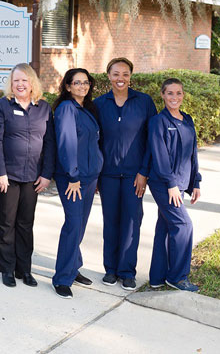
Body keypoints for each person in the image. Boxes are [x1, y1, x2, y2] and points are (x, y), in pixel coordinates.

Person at [0, 63, 55, 288]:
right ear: (11, 83)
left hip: (33, 176)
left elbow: (49, 142)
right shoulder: (2, 107)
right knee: (6, 223)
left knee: (26, 224)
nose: (20, 84)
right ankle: (7, 269)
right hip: (7, 175)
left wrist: (47, 173)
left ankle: (24, 269)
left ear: (32, 83)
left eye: (24, 80)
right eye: (16, 80)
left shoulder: (44, 108)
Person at [94, 57, 157, 291]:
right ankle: (110, 269)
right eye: (116, 74)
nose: (121, 78)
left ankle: (127, 271)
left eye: (125, 74)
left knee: (132, 222)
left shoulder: (144, 102)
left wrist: (144, 172)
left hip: (135, 175)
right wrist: (96, 173)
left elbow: (153, 140)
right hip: (108, 174)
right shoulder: (99, 104)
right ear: (108, 76)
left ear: (131, 76)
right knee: (110, 223)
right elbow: (95, 141)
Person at [51, 68, 103, 299]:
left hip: (90, 177)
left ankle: (73, 267)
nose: (82, 86)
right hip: (73, 179)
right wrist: (72, 176)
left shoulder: (86, 109)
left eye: (85, 82)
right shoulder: (65, 109)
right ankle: (62, 278)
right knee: (73, 224)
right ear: (68, 86)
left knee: (80, 224)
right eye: (77, 82)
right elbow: (66, 143)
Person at [147, 78, 202, 292]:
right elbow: (159, 155)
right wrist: (170, 184)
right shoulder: (158, 121)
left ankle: (157, 277)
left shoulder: (187, 119)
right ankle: (178, 277)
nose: (174, 97)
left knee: (166, 227)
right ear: (162, 95)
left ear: (183, 95)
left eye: (178, 93)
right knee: (183, 225)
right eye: (170, 93)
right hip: (164, 184)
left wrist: (195, 182)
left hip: (181, 182)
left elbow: (192, 153)